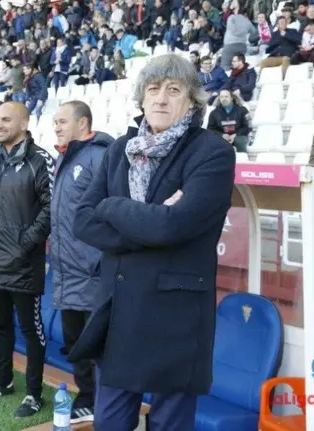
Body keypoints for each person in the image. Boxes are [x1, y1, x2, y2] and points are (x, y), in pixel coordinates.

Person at [71, 54, 236, 430]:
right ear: (141, 98)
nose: (161, 98)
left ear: (191, 102)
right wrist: (147, 219)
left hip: (175, 317)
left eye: (174, 90)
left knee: (170, 424)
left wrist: (111, 207)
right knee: (110, 422)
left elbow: (172, 227)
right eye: (153, 88)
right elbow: (83, 220)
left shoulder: (212, 152)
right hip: (119, 307)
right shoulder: (118, 150)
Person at [0, 102, 54, 419]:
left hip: (23, 262)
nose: (0, 124)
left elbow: (51, 207)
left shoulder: (39, 159)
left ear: (24, 122)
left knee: (31, 330)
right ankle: (2, 382)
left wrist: (25, 242)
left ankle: (34, 394)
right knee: (1, 326)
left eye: (7, 119)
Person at [50, 101, 113, 424]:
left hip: (91, 272)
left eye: (62, 121)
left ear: (83, 122)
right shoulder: (65, 157)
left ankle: (98, 402)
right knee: (74, 343)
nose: (56, 127)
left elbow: (110, 212)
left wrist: (99, 261)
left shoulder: (101, 156)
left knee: (95, 345)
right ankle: (85, 395)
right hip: (66, 271)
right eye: (54, 122)